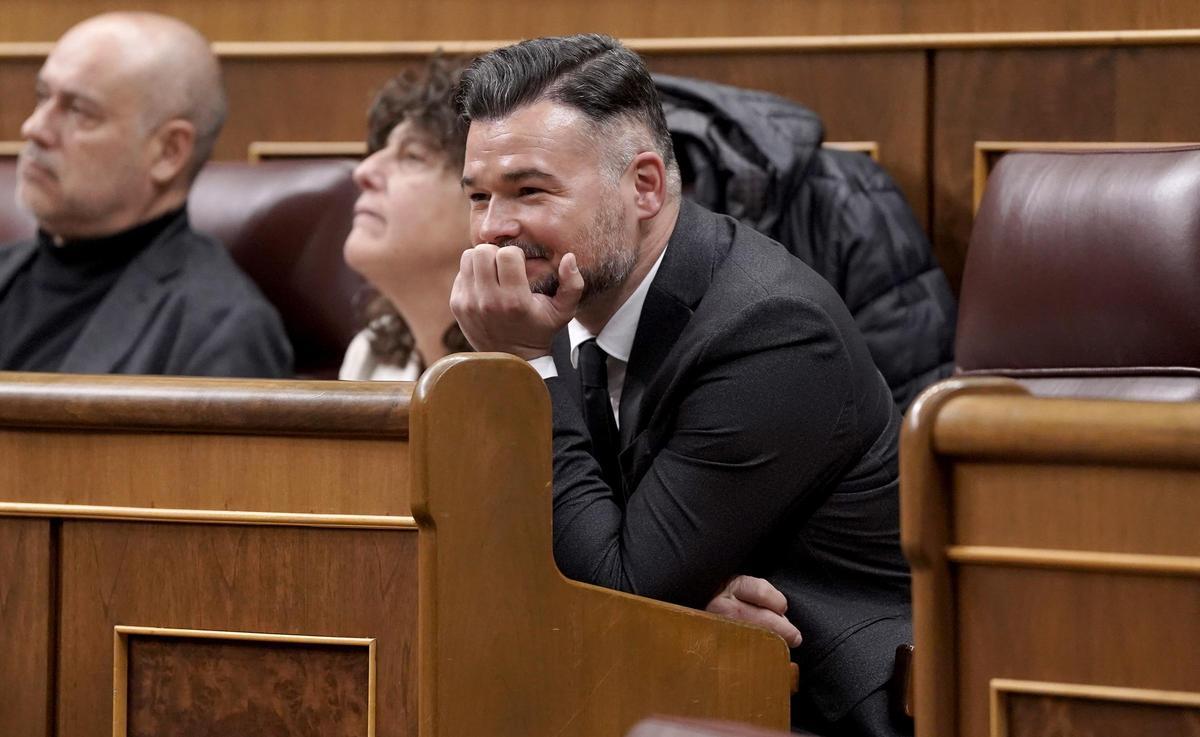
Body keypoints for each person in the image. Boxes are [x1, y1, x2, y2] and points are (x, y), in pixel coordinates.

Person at [451, 34, 911, 737]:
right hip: (668, 682)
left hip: (815, 707)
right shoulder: (557, 308)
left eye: (529, 191)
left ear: (645, 185)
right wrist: (680, 602)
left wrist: (522, 362)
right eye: (479, 196)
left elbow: (616, 590)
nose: (492, 230)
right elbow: (517, 555)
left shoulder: (773, 331)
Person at [0, 12, 291, 377]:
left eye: (79, 110)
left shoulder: (219, 330)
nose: (34, 127)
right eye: (43, 97)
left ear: (168, 152)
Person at [339, 56, 473, 380]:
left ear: (484, 198)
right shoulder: (370, 356)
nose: (363, 171)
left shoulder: (549, 367)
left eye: (412, 156)